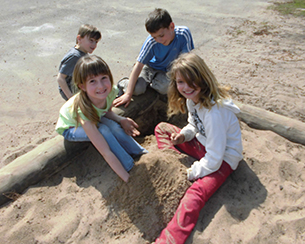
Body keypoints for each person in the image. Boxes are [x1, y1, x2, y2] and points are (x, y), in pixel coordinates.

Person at [153, 52, 243, 243]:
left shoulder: (214, 114)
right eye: (180, 82)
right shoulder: (192, 100)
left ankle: (167, 240)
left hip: (223, 158)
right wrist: (183, 136)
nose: (185, 88)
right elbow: (195, 125)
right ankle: (172, 164)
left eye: (191, 81)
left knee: (195, 194)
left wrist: (193, 172)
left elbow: (216, 158)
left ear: (202, 79)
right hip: (204, 145)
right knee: (162, 128)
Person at [55, 54, 147, 183]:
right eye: (92, 81)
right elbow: (105, 152)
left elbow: (105, 111)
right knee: (104, 130)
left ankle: (140, 152)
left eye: (104, 78)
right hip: (71, 127)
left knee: (114, 126)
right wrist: (127, 178)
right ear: (82, 86)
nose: (101, 86)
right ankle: (128, 165)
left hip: (94, 116)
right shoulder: (83, 111)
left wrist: (121, 119)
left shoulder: (110, 92)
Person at [113, 8, 194, 108]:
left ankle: (154, 84)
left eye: (161, 35)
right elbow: (139, 65)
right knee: (137, 89)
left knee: (166, 88)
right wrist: (128, 94)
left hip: (169, 69)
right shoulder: (151, 42)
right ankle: (124, 83)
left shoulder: (183, 34)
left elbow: (187, 60)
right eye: (154, 37)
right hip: (150, 67)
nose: (158, 40)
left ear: (171, 26)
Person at [57, 24, 101, 101]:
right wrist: (71, 98)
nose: (94, 45)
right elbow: (60, 78)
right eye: (91, 40)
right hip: (71, 90)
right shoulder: (75, 56)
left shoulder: (83, 51)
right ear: (79, 39)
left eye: (96, 42)